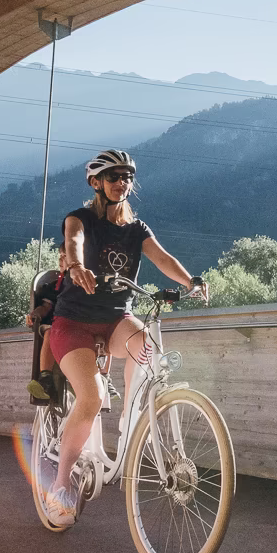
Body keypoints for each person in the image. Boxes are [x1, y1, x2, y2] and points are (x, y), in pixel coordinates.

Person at [29, 149, 206, 530]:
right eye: (113, 177)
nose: (121, 183)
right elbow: (73, 241)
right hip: (72, 323)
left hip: (114, 320)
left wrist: (190, 280)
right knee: (91, 397)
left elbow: (162, 258)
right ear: (96, 183)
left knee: (146, 345)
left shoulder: (137, 229)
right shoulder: (80, 219)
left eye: (126, 176)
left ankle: (130, 417)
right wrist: (75, 266)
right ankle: (61, 484)